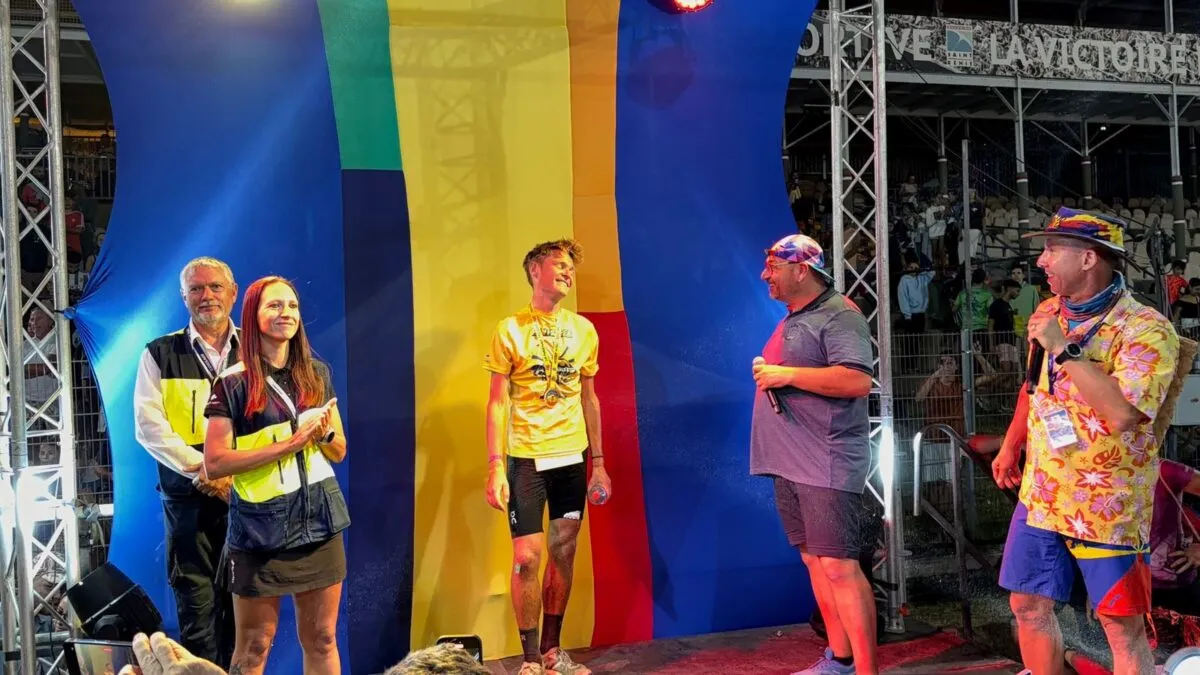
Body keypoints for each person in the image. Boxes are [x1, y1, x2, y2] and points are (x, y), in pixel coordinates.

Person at [991, 208, 1179, 675]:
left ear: (1089, 258)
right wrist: (1011, 443)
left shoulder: (1147, 328)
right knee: (1027, 605)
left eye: (1053, 250)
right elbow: (1034, 387)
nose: (1041, 260)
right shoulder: (1048, 312)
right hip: (1043, 492)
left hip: (1106, 503)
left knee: (1121, 628)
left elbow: (1123, 414)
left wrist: (1065, 348)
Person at [203, 276, 350, 675]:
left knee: (322, 639)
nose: (286, 313)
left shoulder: (316, 374)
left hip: (320, 524)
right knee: (253, 647)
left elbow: (339, 450)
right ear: (253, 315)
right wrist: (291, 443)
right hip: (258, 533)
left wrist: (324, 434)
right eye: (275, 305)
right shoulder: (232, 384)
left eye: (292, 306)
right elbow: (214, 464)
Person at [482, 239, 612, 675]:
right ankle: (530, 659)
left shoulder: (584, 330)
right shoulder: (510, 329)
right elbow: (497, 402)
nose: (568, 272)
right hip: (525, 459)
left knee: (564, 550)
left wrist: (599, 464)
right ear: (535, 270)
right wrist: (495, 467)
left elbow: (590, 399)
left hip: (572, 458)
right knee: (526, 559)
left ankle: (554, 652)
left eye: (571, 267)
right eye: (559, 264)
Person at [751, 234, 878, 675]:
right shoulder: (797, 316)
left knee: (840, 567)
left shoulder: (840, 315)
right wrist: (776, 374)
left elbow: (857, 381)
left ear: (801, 270)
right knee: (815, 562)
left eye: (774, 267)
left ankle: (866, 670)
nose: (765, 275)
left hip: (825, 461)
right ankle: (840, 661)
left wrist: (785, 374)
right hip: (791, 462)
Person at [133, 257, 239, 667]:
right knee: (198, 618)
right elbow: (148, 426)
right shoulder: (159, 352)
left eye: (215, 287)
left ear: (232, 293)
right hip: (187, 505)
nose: (206, 296)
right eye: (196, 289)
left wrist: (228, 474)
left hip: (244, 502)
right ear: (183, 297)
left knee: (248, 622)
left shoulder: (256, 350)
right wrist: (205, 469)